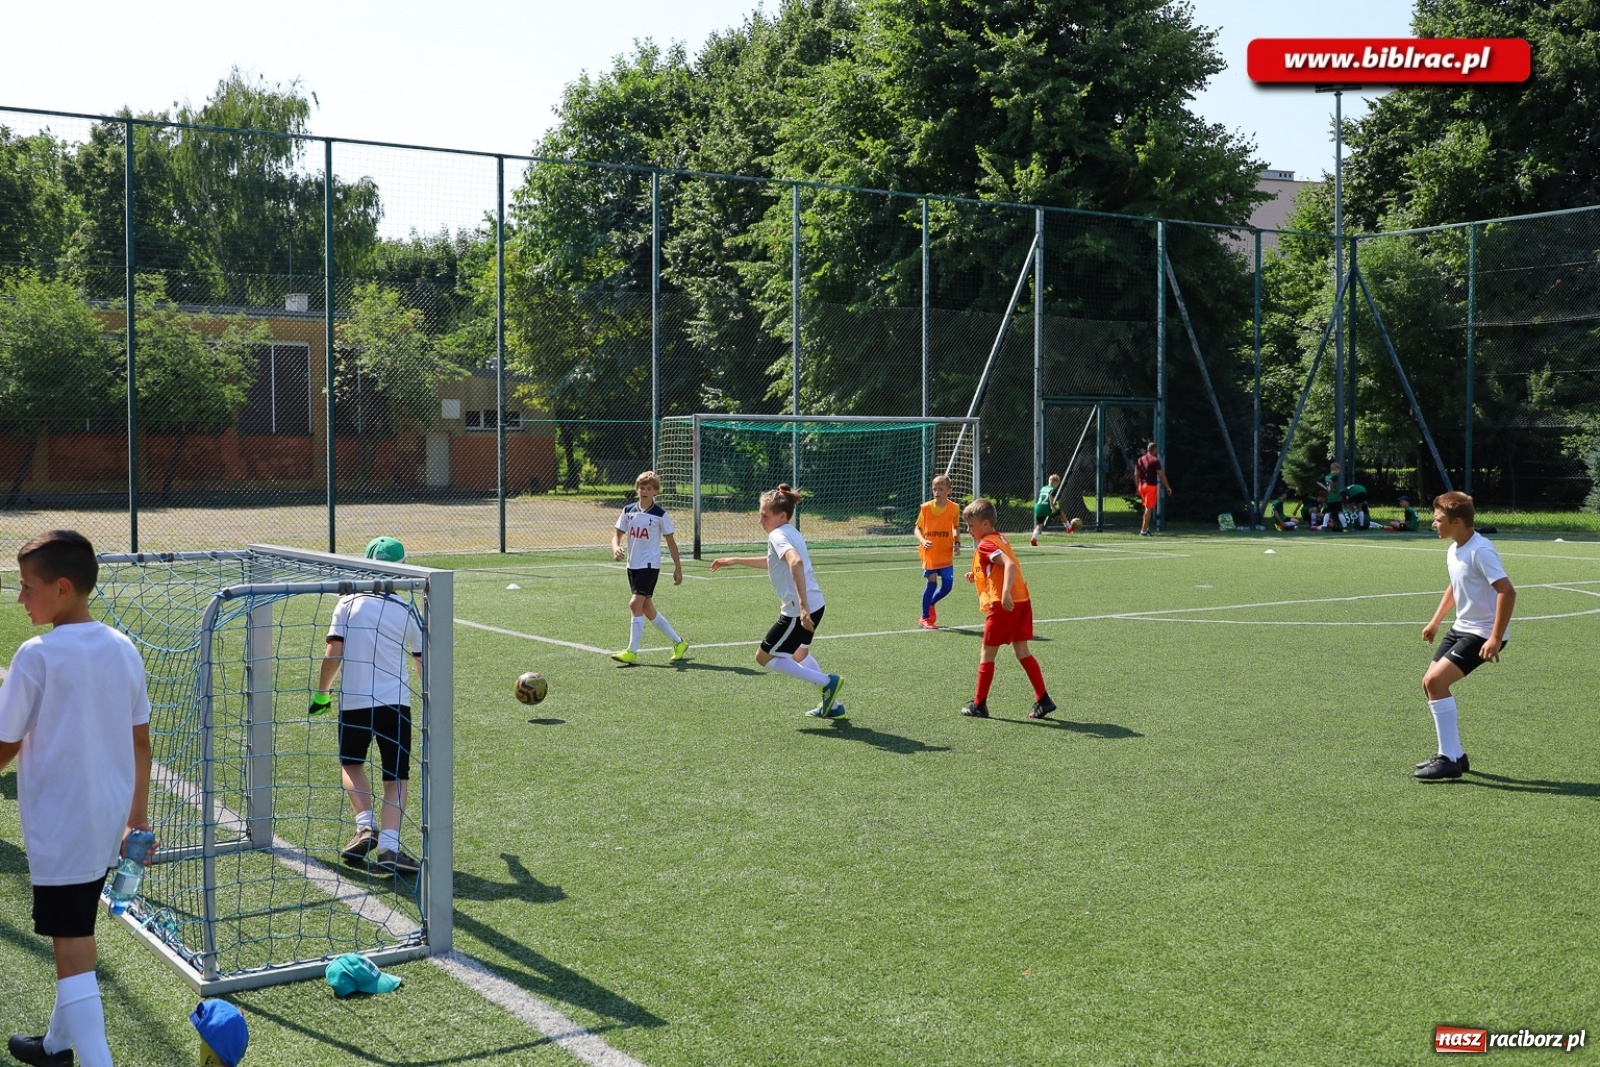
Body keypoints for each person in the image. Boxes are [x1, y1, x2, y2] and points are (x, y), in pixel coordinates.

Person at [0, 530, 152, 1067]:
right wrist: (137, 820)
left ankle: (96, 1060)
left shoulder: (35, 656)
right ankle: (56, 1045)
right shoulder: (122, 646)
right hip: (109, 819)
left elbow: (4, 743)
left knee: (71, 946)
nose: (20, 599)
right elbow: (141, 744)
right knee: (77, 926)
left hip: (61, 824)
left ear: (62, 587)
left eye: (26, 587)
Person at [314, 536, 424, 875]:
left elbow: (333, 653)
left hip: (355, 703)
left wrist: (322, 693)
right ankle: (389, 847)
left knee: (351, 763)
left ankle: (365, 825)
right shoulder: (407, 609)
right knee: (396, 777)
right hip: (395, 704)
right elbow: (422, 663)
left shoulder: (347, 603)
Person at [710, 484, 845, 718]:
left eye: (764, 516)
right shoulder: (790, 531)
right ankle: (833, 707)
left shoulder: (778, 534)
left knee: (763, 657)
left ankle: (827, 682)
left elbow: (795, 563)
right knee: (798, 655)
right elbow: (775, 561)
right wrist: (734, 560)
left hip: (797, 612)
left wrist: (802, 608)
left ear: (781, 516)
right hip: (817, 604)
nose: (760, 520)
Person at [1415, 491, 1516, 781]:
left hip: (1483, 633)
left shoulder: (1480, 550)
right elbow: (1455, 585)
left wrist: (1495, 638)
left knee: (1436, 682)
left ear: (1457, 522)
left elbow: (1507, 591)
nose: (1434, 524)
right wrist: (1435, 621)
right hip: (1462, 627)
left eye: (1438, 520)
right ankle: (1456, 754)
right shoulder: (1454, 547)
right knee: (1429, 683)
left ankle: (1447, 760)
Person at [958, 498, 1057, 720]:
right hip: (1023, 601)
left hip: (1005, 605)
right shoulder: (1001, 537)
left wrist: (1004, 594)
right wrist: (976, 576)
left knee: (987, 653)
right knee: (1022, 651)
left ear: (985, 524)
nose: (968, 530)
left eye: (971, 525)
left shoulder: (986, 544)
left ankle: (979, 704)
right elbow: (1000, 567)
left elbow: (1009, 565)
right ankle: (1043, 699)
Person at [610, 470, 689, 664]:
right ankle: (678, 642)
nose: (644, 491)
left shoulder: (660, 515)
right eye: (641, 487)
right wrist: (615, 547)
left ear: (655, 492)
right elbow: (617, 535)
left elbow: (671, 542)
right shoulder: (628, 511)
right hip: (632, 565)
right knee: (646, 608)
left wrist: (678, 568)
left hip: (649, 565)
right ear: (636, 489)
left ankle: (632, 651)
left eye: (649, 488)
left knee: (635, 603)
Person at [916, 474, 962, 628]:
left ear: (949, 490)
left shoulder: (954, 508)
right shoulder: (926, 508)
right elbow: (917, 529)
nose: (937, 492)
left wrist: (956, 542)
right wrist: (923, 541)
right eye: (935, 489)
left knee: (948, 586)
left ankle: (931, 604)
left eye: (941, 489)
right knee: (932, 583)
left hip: (945, 552)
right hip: (930, 552)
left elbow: (955, 527)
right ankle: (925, 618)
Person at [1134, 441, 1172, 536]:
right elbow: (1161, 474)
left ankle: (1146, 529)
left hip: (1142, 486)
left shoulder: (1140, 459)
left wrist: (1137, 485)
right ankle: (1143, 531)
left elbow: (1136, 473)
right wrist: (1167, 486)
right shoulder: (1154, 460)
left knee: (1147, 508)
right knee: (1148, 508)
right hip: (1150, 486)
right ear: (1154, 449)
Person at [1030, 474, 1063, 547]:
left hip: (1038, 507)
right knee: (1060, 513)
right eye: (1058, 483)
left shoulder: (1043, 488)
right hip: (1047, 508)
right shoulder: (1053, 489)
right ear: (1055, 483)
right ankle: (1068, 527)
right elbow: (1050, 495)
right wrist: (1052, 506)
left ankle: (1034, 538)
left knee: (1039, 525)